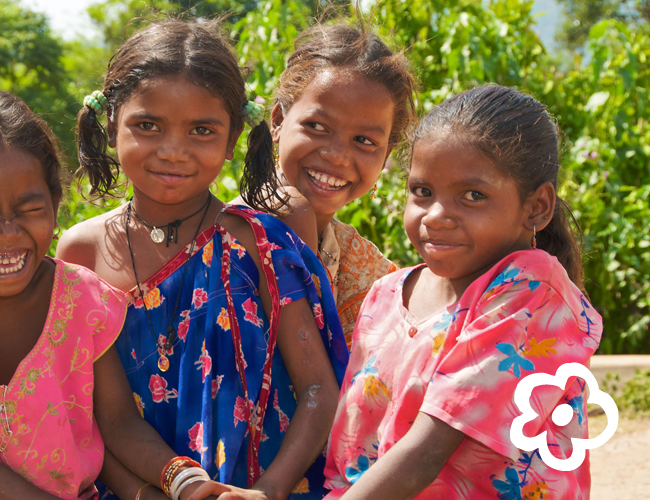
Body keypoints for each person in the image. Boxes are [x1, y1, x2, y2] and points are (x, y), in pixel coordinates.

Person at [0, 90, 225, 500]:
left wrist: (184, 482)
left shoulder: (80, 298)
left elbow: (118, 423)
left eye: (29, 210)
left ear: (54, 204)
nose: (8, 233)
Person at [57, 19, 348, 500]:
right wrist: (152, 493)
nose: (173, 151)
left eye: (201, 130)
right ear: (110, 125)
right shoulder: (81, 253)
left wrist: (268, 491)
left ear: (233, 139)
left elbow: (318, 389)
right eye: (147, 126)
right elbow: (92, 415)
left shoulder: (258, 244)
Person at [323, 85, 602, 499]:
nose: (436, 216)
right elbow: (350, 458)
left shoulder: (533, 289)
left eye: (473, 196)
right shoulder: (384, 295)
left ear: (537, 207)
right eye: (422, 191)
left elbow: (427, 451)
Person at [268, 24, 418, 348]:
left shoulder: (372, 276)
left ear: (385, 155)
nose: (337, 156)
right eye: (317, 126)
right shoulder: (222, 238)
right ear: (278, 121)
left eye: (363, 140)